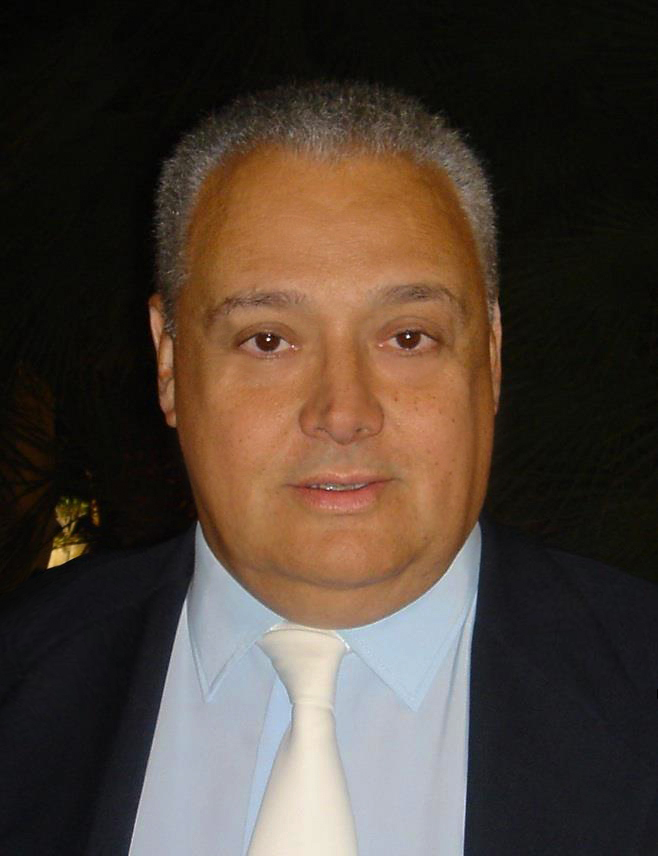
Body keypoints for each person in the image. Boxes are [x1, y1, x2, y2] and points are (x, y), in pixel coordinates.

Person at [1, 82, 657, 856]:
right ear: (170, 363)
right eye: (268, 340)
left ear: (491, 356)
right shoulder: (23, 678)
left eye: (407, 337)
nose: (343, 413)